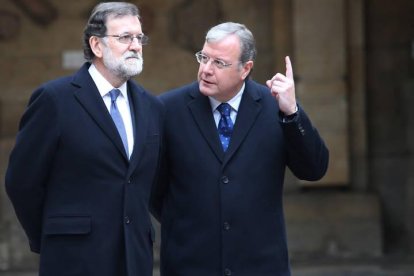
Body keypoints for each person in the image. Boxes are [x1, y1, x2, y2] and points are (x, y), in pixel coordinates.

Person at [150, 22, 329, 276]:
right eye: (204, 58)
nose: (206, 70)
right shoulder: (168, 109)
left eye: (219, 63)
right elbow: (154, 188)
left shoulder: (275, 107)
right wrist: (187, 222)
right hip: (190, 264)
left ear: (246, 68)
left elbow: (314, 169)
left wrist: (292, 114)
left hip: (261, 265)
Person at [5, 2, 162, 276]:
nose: (136, 45)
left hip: (135, 258)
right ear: (97, 45)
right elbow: (22, 182)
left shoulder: (151, 106)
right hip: (73, 258)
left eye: (139, 38)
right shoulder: (55, 100)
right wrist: (54, 236)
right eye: (125, 37)